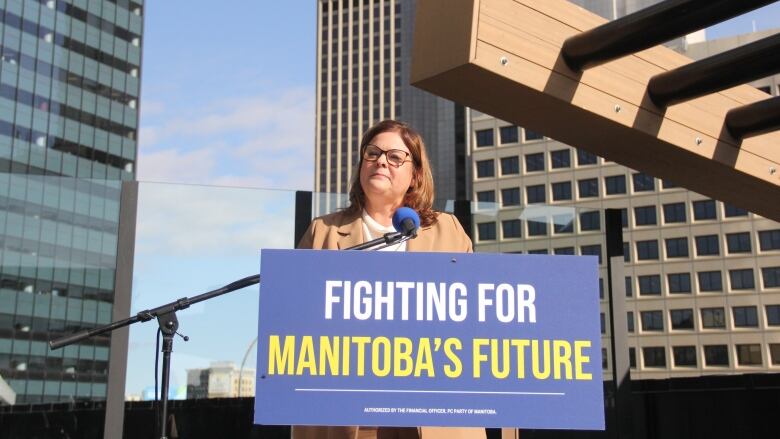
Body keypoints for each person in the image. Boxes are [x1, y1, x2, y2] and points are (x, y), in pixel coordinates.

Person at [295, 120, 482, 439]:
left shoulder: (448, 231)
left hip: (431, 415)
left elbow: (475, 318)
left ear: (416, 174)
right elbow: (296, 318)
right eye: (372, 153)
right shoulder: (322, 231)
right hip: (347, 415)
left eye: (395, 157)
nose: (381, 160)